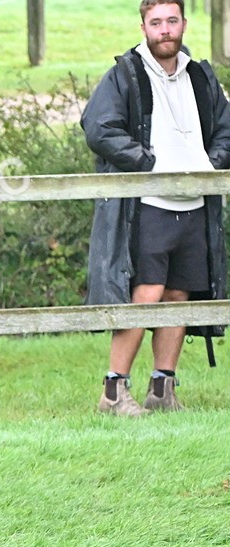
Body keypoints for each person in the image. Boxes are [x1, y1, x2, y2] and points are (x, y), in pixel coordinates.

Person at [81, 0, 230, 416]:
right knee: (146, 293)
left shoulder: (200, 75)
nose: (165, 29)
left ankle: (162, 389)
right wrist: (148, 165)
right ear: (143, 26)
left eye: (172, 21)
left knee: (180, 294)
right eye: (156, 22)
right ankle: (113, 392)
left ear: (183, 23)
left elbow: (226, 129)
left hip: (196, 204)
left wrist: (211, 165)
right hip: (150, 203)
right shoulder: (126, 74)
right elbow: (98, 127)